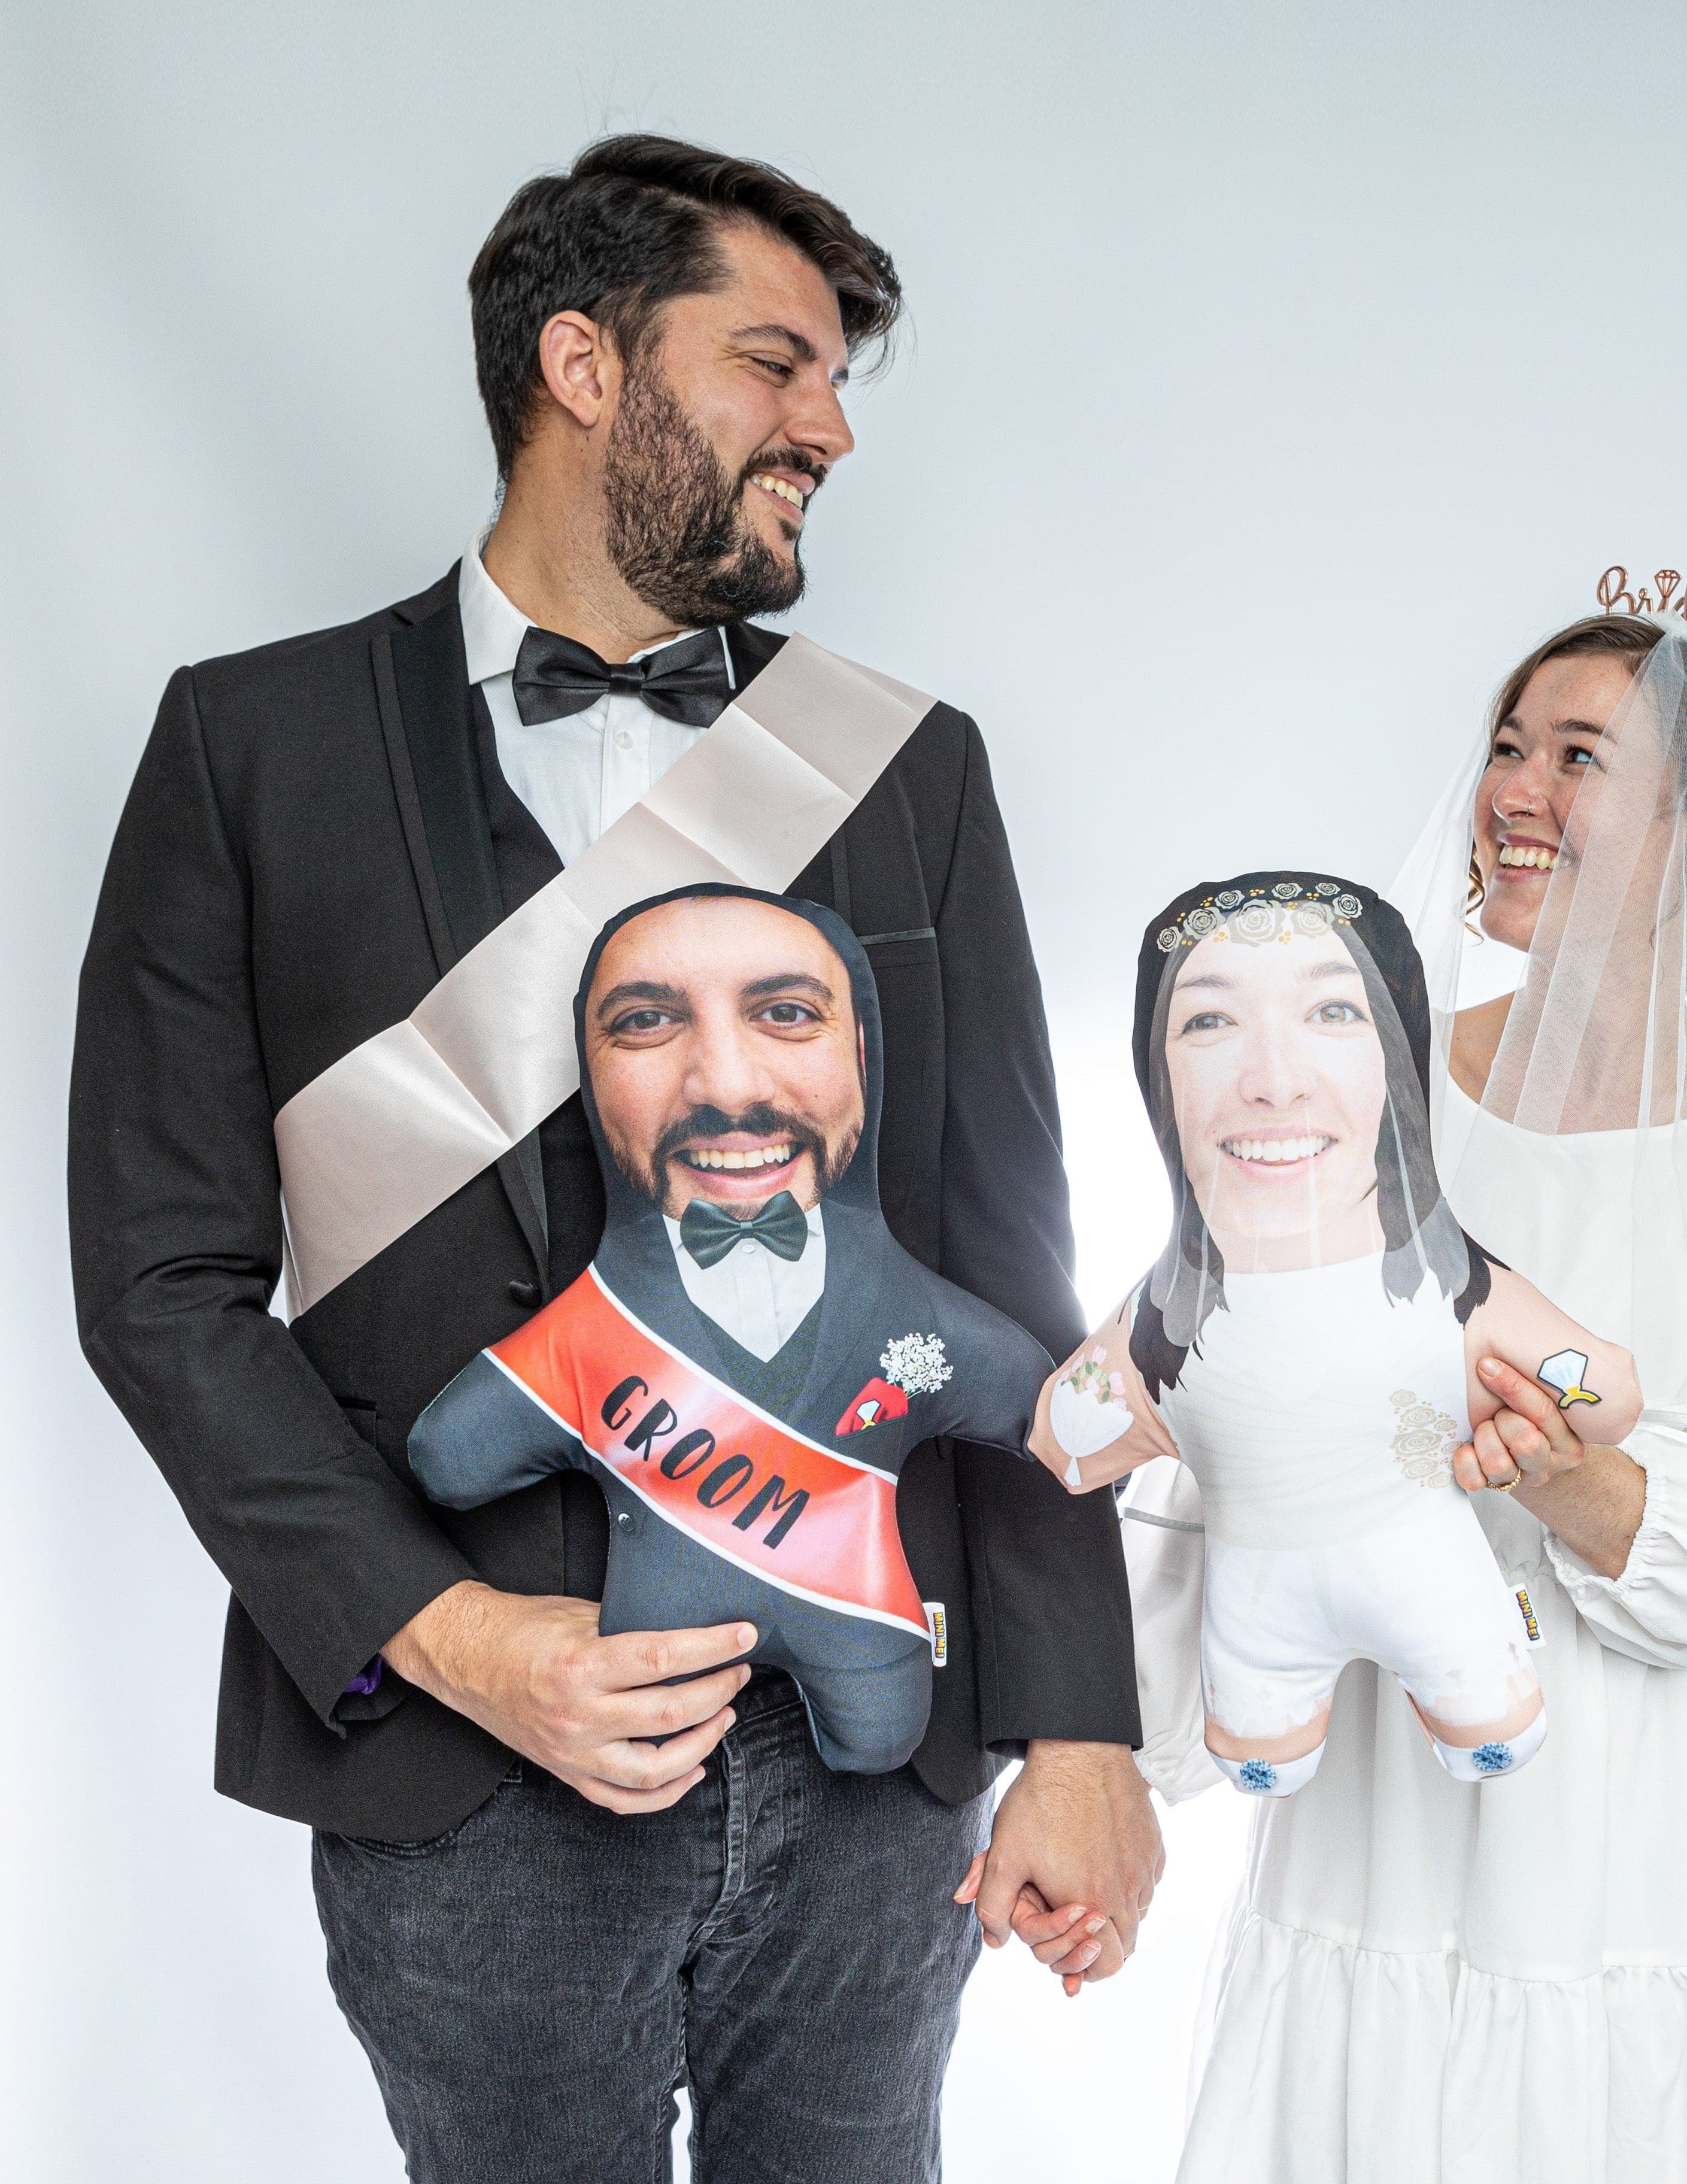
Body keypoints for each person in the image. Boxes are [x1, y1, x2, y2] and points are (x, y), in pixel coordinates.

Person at [68, 135, 1158, 2182]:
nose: (827, 427)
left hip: (875, 1764)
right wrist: (450, 1632)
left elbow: (1014, 1267)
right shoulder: (249, 746)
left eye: (832, 379)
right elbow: (160, 1283)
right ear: (584, 365)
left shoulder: (908, 766)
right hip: (467, 1759)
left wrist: (1082, 1722)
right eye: (773, 363)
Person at [1128, 587, 1687, 2181]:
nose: (1513, 791)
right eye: (1505, 746)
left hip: (1651, 1827)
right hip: (1383, 1818)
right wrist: (1108, 1757)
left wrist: (1555, 1469)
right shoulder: (1358, 1078)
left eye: (1578, 756)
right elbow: (1207, 1402)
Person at [408, 885, 1058, 1776]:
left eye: (787, 1014)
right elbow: (452, 1458)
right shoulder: (590, 1330)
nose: (727, 1086)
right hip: (536, 1749)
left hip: (911, 1782)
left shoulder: (921, 1319)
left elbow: (1055, 1417)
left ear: (862, 1049)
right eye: (646, 1022)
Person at [1024, 873, 1647, 1798]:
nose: (1274, 1083)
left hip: (1436, 1583)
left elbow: (1605, 1392)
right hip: (1255, 1619)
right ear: (1158, 1075)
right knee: (1263, 1752)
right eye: (1209, 1022)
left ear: (1398, 1057)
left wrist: (1558, 1405)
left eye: (1332, 1012)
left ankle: (1475, 1701)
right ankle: (1279, 1730)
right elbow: (1063, 1443)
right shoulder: (1158, 1317)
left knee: (1489, 1719)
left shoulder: (1454, 1285)